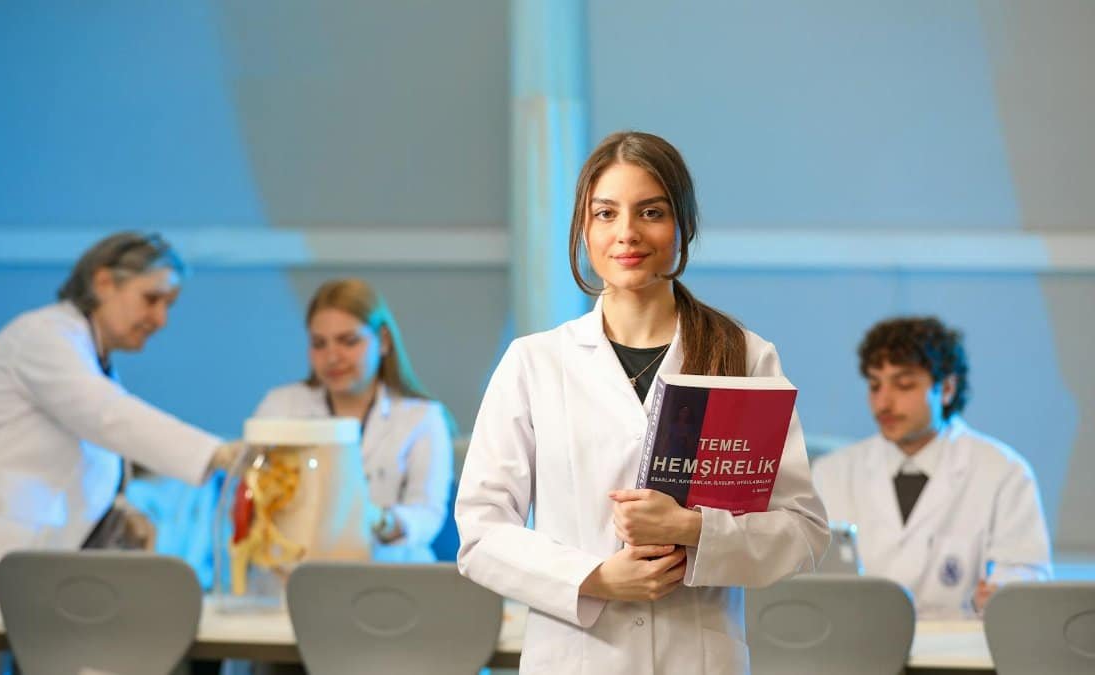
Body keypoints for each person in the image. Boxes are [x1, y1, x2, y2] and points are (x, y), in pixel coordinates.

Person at [454, 131, 829, 674]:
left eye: (651, 212)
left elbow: (802, 531)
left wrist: (692, 530)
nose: (627, 233)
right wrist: (595, 579)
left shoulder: (744, 355)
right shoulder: (535, 363)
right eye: (606, 214)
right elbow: (481, 531)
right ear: (584, 230)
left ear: (683, 225)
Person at [0, 232, 241, 675]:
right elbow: (107, 416)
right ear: (103, 283)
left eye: (168, 305)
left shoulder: (90, 359)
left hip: (10, 567)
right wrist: (217, 453)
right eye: (151, 299)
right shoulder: (42, 338)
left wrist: (117, 513)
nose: (161, 319)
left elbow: (77, 457)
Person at [812, 316, 1051, 618]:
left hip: (959, 644)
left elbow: (1026, 580)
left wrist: (1000, 595)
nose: (883, 403)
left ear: (947, 388)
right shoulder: (832, 473)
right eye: (874, 385)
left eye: (904, 385)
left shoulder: (1004, 472)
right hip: (855, 643)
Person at [252, 278, 453, 563]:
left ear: (383, 341)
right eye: (319, 344)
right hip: (295, 569)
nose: (332, 357)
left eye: (348, 341)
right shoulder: (281, 406)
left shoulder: (422, 417)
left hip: (390, 568)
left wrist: (378, 520)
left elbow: (427, 515)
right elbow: (252, 497)